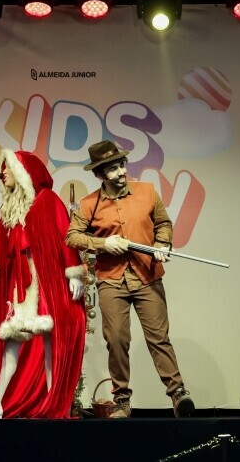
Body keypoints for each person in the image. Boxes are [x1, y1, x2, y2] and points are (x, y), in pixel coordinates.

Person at [65, 140, 194, 419]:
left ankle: (178, 394)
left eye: (122, 165)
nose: (121, 172)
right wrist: (103, 244)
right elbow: (72, 236)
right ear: (100, 175)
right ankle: (122, 401)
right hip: (111, 280)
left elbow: (163, 224)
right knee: (117, 339)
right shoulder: (89, 204)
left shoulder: (147, 192)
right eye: (113, 169)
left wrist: (162, 244)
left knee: (159, 338)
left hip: (147, 276)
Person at [0, 149, 87, 419]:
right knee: (10, 343)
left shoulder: (47, 201)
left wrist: (74, 274)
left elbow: (65, 237)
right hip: (20, 287)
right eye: (2, 169)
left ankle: (56, 401)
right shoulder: (7, 209)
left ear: (23, 172)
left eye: (8, 168)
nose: (3, 173)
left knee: (49, 344)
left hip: (46, 284)